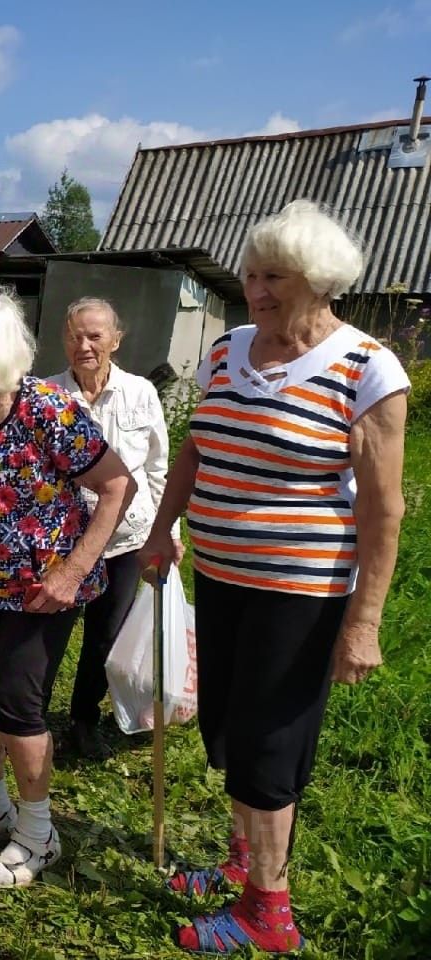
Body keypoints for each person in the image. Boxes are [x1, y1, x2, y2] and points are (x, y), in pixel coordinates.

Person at [139, 200, 409, 955]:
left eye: (275, 278)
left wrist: (364, 622)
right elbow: (197, 448)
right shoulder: (226, 351)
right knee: (226, 727)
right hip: (221, 577)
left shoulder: (366, 367)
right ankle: (240, 861)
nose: (257, 290)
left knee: (268, 746)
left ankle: (269, 911)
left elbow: (384, 510)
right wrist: (163, 530)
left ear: (319, 282)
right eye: (251, 275)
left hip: (300, 593)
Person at [0, 289, 136, 887]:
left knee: (16, 706)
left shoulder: (47, 411)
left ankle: (39, 834)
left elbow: (119, 486)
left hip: (44, 589)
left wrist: (71, 572)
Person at [47, 298, 183, 757]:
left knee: (105, 636)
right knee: (49, 633)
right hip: (65, 543)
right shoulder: (46, 395)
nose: (83, 346)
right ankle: (31, 721)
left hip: (128, 539)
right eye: (74, 336)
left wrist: (169, 533)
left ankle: (83, 718)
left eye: (94, 336)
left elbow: (159, 468)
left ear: (116, 340)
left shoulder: (141, 392)